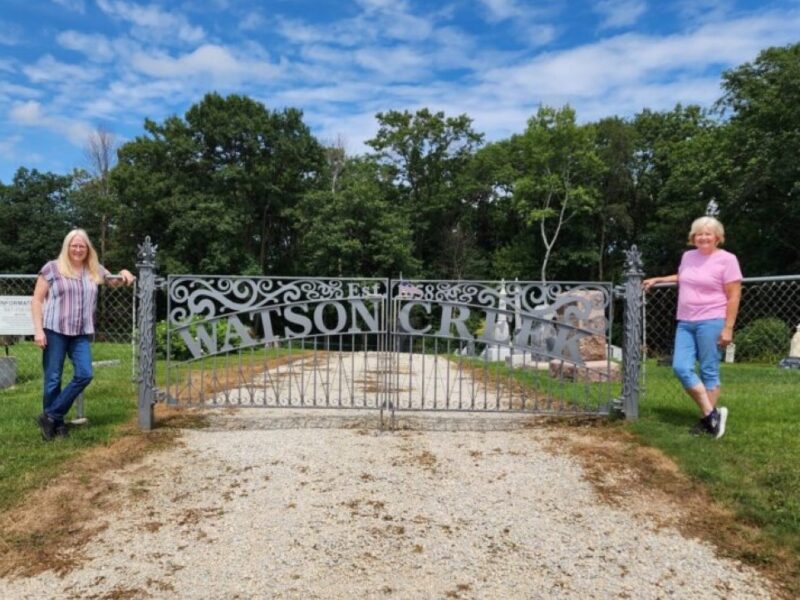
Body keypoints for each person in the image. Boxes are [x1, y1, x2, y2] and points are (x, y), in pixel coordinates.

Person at [30, 229, 136, 441]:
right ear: (67, 247)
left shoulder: (94, 269)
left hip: (80, 332)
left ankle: (50, 415)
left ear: (88, 249)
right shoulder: (52, 268)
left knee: (85, 373)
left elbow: (113, 281)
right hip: (54, 330)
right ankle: (55, 427)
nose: (78, 249)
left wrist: (124, 273)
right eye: (74, 245)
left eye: (82, 246)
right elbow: (37, 300)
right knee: (53, 379)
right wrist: (38, 330)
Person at [643, 216, 742, 439]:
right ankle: (712, 414)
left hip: (712, 320)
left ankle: (706, 422)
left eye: (708, 234)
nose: (704, 237)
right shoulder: (688, 256)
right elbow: (685, 277)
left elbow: (734, 295)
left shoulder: (727, 260)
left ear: (717, 237)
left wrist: (728, 327)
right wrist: (658, 279)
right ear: (693, 237)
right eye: (699, 234)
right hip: (685, 322)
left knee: (709, 369)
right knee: (681, 367)